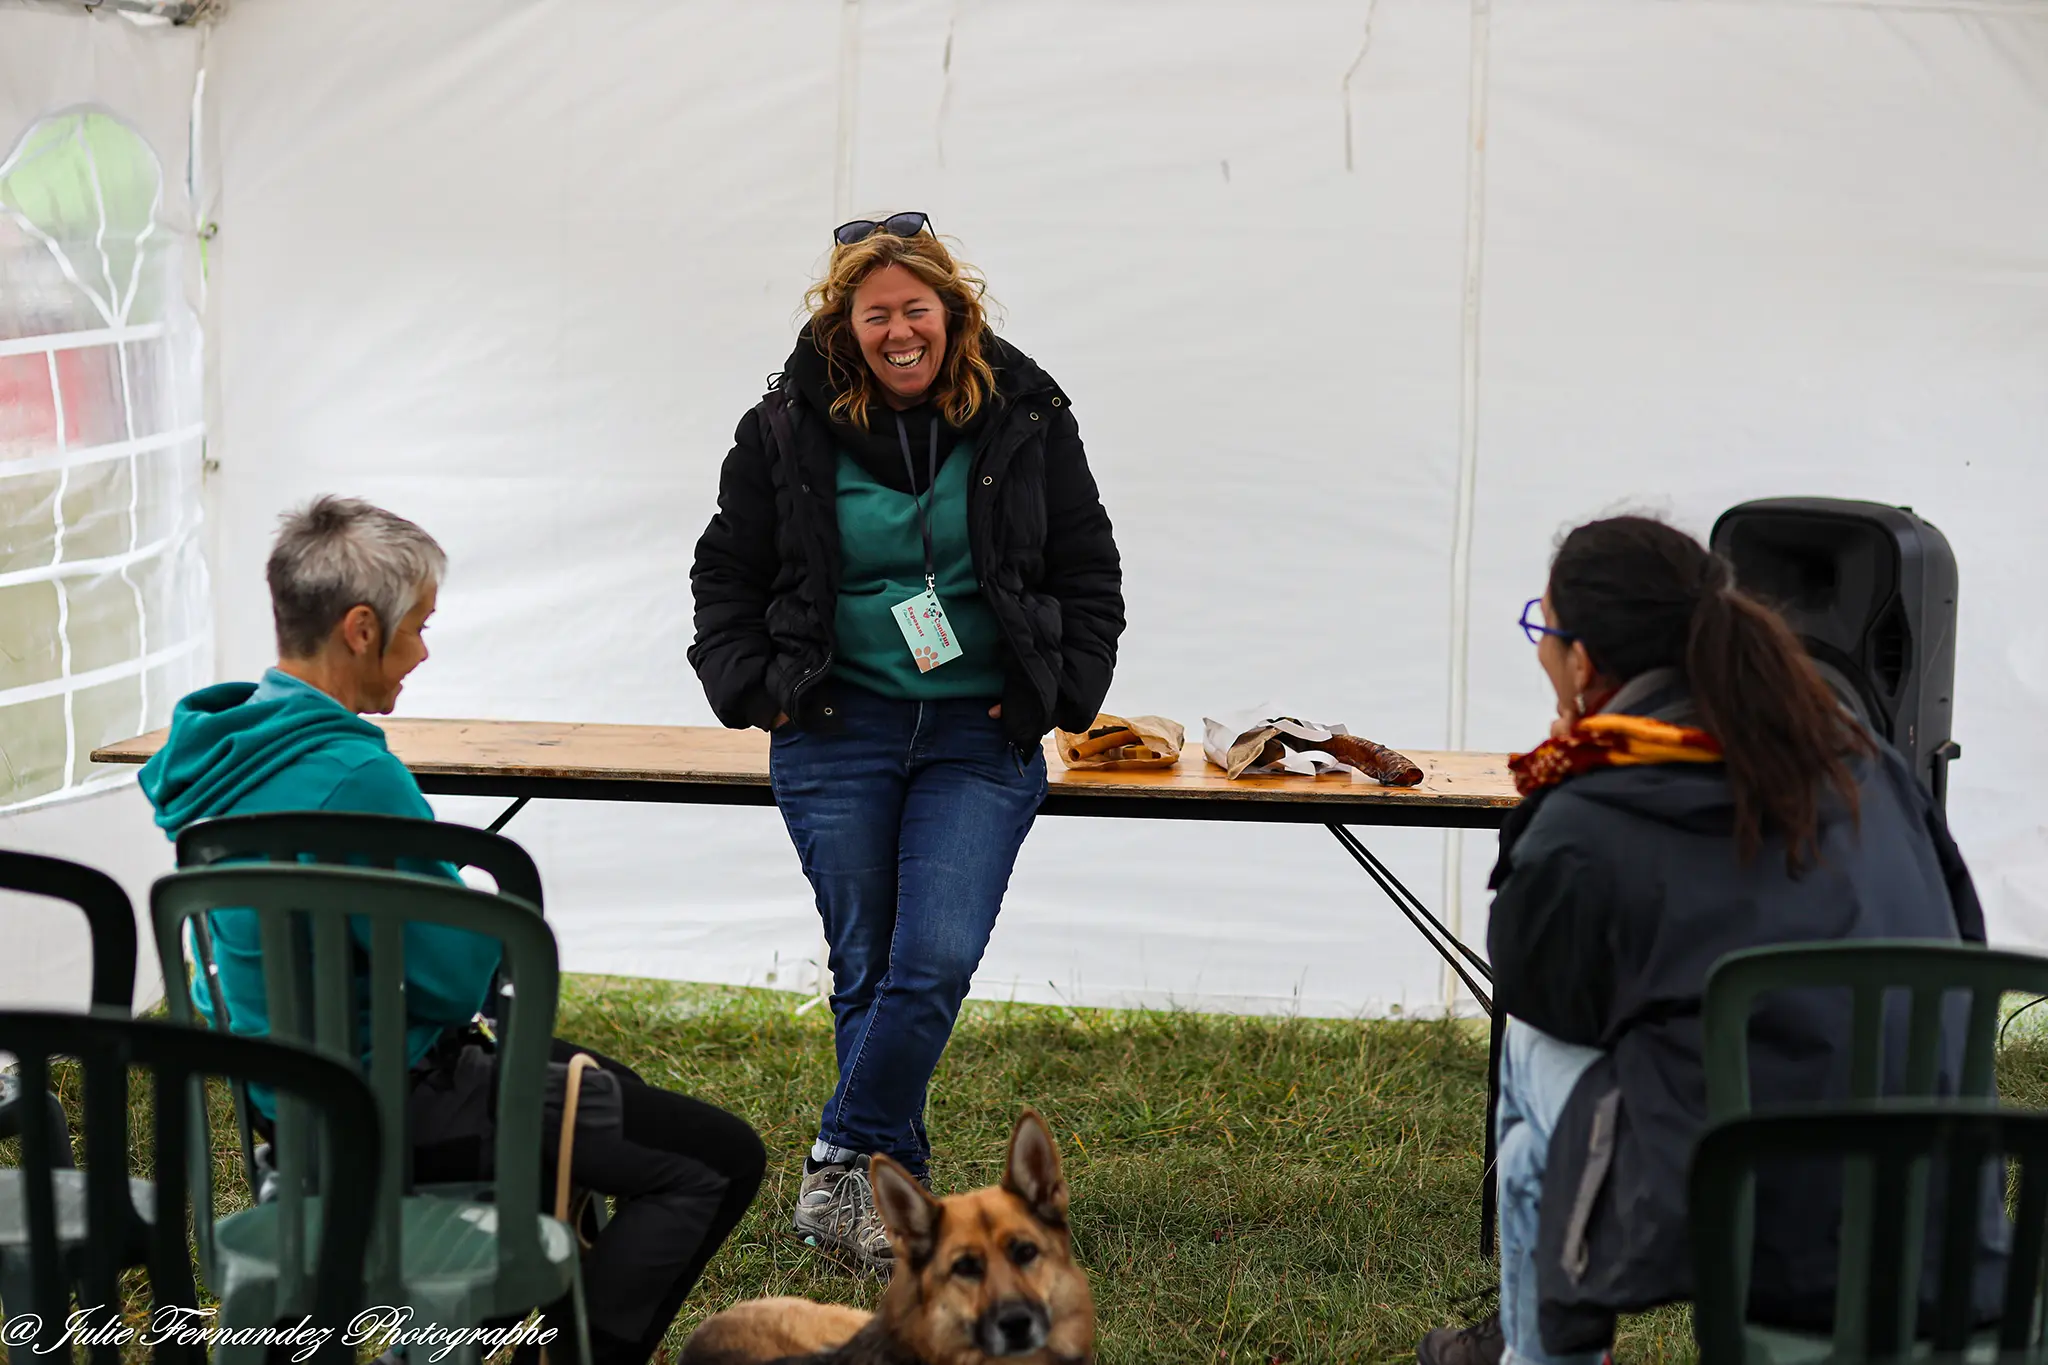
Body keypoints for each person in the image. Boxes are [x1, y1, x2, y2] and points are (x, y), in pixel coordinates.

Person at [140, 496, 766, 1365]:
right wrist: (463, 892)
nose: (425, 650)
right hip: (397, 1107)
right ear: (362, 628)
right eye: (418, 626)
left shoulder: (212, 761)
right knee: (718, 1158)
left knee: (604, 1083)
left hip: (286, 1110)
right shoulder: (355, 774)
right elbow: (455, 980)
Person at [1416, 516, 1998, 1365]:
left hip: (1756, 1230)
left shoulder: (1594, 811)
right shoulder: (1864, 758)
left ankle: (1544, 1351)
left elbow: (1536, 979)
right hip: (1940, 1214)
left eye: (1543, 629)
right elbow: (1961, 933)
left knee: (1532, 1048)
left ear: (1581, 661)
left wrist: (1564, 774)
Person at [689, 213, 1124, 1272]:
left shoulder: (1025, 414)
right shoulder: (782, 428)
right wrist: (757, 690)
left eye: (914, 310)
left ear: (952, 312)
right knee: (868, 965)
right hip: (838, 725)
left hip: (979, 733)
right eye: (873, 313)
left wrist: (1058, 691)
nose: (897, 333)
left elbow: (1086, 563)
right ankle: (890, 1210)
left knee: (928, 957)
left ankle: (840, 1162)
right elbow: (725, 575)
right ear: (843, 325)